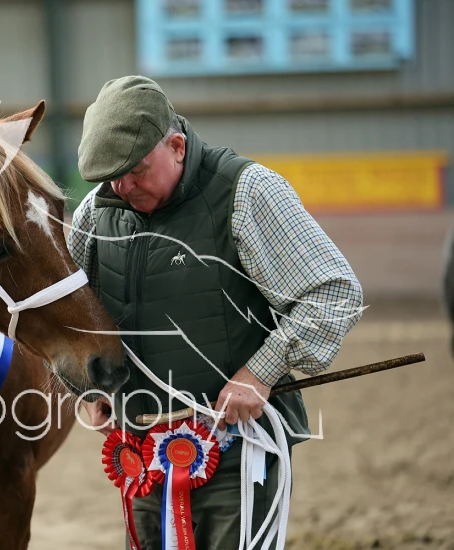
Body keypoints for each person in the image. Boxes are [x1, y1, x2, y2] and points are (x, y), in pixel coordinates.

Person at [67, 76, 363, 548]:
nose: (123, 187)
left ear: (177, 146)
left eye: (136, 170)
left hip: (239, 453)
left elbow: (333, 292)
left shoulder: (247, 193)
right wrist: (88, 386)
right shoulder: (93, 214)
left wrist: (260, 373)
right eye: (111, 176)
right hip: (138, 458)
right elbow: (67, 313)